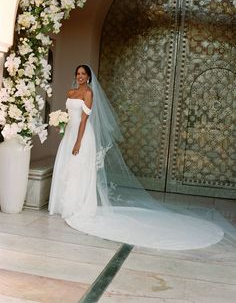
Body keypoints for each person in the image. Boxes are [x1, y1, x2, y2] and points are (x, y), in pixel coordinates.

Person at [49, 64, 226, 250]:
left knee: (78, 169)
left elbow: (84, 120)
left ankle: (76, 206)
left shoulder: (89, 94)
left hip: (82, 136)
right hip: (70, 134)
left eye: (83, 74)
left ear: (89, 77)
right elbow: (70, 116)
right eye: (78, 73)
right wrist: (62, 126)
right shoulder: (70, 92)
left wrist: (78, 141)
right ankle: (62, 204)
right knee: (66, 167)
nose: (80, 76)